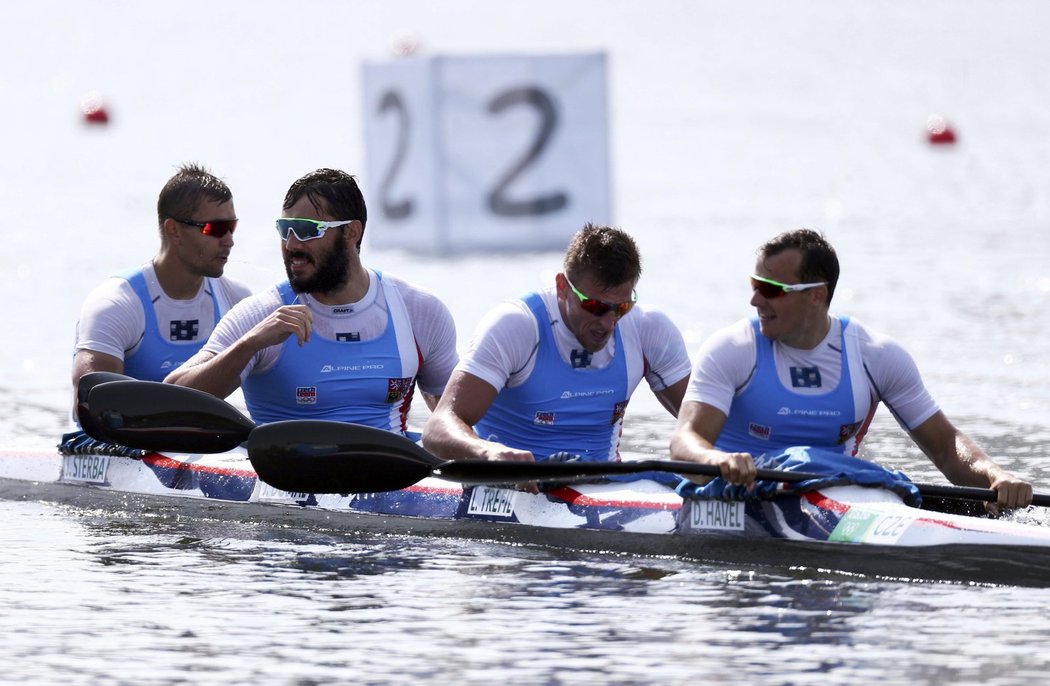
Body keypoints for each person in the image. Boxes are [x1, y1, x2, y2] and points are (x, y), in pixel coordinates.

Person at [668, 228, 1033, 513]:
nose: (754, 300)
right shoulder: (733, 348)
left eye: (770, 289)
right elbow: (684, 444)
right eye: (754, 285)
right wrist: (718, 460)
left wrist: (996, 477)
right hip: (736, 497)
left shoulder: (875, 355)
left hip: (833, 498)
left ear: (816, 294)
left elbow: (947, 451)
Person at [165, 168, 457, 432]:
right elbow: (172, 397)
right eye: (284, 230)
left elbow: (454, 417)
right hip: (285, 480)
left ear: (351, 232)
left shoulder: (418, 311)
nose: (291, 245)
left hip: (390, 479)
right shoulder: (262, 315)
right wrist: (250, 344)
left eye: (306, 230)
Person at [422, 223, 691, 468]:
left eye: (621, 307)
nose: (608, 323)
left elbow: (706, 428)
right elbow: (438, 428)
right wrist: (488, 453)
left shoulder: (649, 329)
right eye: (594, 306)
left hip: (603, 484)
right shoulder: (517, 326)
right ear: (562, 287)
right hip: (510, 483)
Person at [71, 163, 250, 412]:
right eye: (216, 229)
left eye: (232, 227)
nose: (229, 240)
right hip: (114, 442)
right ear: (174, 230)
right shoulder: (115, 304)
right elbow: (92, 404)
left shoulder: (238, 301)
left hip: (190, 443)